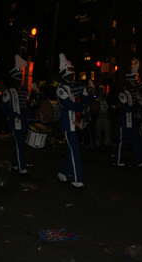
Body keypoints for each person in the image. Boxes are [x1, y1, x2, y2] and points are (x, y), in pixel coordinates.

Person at [56, 53, 91, 189]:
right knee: (75, 151)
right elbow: (69, 104)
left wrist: (87, 114)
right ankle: (77, 180)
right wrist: (83, 108)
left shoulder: (79, 86)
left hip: (77, 123)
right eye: (68, 75)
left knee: (72, 150)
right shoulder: (61, 89)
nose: (71, 77)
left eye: (72, 74)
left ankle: (62, 172)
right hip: (68, 125)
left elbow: (87, 99)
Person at [1, 54, 33, 174]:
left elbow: (26, 107)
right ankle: (21, 167)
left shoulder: (25, 92)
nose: (20, 78)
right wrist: (17, 116)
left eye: (21, 76)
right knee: (19, 144)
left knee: (20, 144)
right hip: (15, 122)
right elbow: (4, 109)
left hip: (24, 122)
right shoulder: (8, 91)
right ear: (13, 77)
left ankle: (15, 163)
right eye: (18, 76)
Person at [114, 59, 142, 167]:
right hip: (125, 120)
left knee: (136, 141)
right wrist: (136, 109)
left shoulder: (135, 93)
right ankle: (118, 160)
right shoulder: (124, 93)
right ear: (129, 81)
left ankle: (141, 161)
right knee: (122, 141)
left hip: (132, 120)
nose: (136, 83)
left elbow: (138, 105)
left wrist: (141, 114)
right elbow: (125, 108)